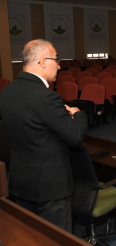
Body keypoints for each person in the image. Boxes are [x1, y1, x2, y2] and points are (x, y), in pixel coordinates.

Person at [0, 39, 88, 232]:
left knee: (30, 237)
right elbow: (74, 137)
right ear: (42, 61)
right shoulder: (46, 96)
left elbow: (31, 127)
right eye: (56, 59)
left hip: (20, 182)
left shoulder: (7, 91)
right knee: (56, 239)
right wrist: (79, 114)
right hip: (50, 188)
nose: (59, 65)